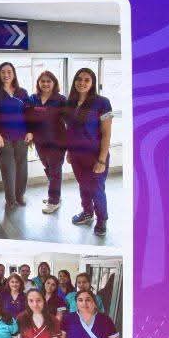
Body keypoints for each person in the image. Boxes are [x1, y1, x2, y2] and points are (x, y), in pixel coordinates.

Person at [64, 68, 114, 237]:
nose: (82, 82)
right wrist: (69, 152)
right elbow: (70, 130)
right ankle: (87, 212)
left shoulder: (103, 103)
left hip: (95, 155)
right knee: (83, 185)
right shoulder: (70, 103)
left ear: (92, 83)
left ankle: (102, 220)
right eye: (79, 79)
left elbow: (107, 133)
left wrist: (102, 160)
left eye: (87, 80)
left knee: (96, 189)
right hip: (76, 155)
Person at [0, 62, 31, 210]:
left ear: (14, 74)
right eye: (3, 72)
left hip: (21, 135)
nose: (6, 75)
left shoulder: (22, 92)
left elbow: (28, 114)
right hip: (3, 136)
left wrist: (30, 131)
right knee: (8, 168)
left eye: (9, 72)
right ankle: (10, 200)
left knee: (22, 167)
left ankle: (20, 196)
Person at [25, 70, 67, 214]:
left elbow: (70, 120)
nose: (45, 84)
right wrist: (30, 131)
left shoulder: (61, 100)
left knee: (55, 170)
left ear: (54, 83)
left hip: (57, 141)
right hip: (40, 141)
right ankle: (56, 194)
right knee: (48, 168)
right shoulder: (33, 98)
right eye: (42, 81)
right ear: (38, 83)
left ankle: (53, 200)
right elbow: (29, 118)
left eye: (49, 81)